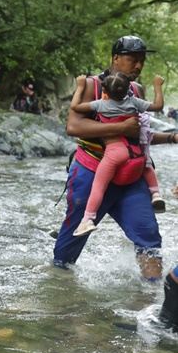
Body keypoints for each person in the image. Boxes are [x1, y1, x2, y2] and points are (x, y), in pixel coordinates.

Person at [53, 35, 173, 281]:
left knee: (148, 233)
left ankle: (151, 295)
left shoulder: (137, 90)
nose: (138, 66)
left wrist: (172, 138)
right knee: (72, 240)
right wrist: (119, 130)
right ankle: (59, 287)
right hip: (90, 172)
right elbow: (74, 126)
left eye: (142, 61)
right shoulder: (91, 85)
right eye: (133, 60)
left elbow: (141, 134)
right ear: (116, 58)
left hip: (131, 175)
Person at [70, 72, 165, 236]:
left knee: (98, 186)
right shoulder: (134, 102)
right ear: (129, 88)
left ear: (104, 92)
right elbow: (157, 106)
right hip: (135, 151)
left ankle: (87, 220)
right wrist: (157, 85)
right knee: (147, 163)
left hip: (114, 152)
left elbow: (75, 106)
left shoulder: (100, 104)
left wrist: (79, 86)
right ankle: (155, 193)